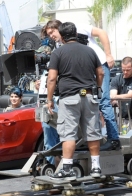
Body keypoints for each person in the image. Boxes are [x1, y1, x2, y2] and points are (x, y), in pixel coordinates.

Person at [43, 20, 120, 151]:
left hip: (100, 64)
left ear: (59, 28)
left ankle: (114, 139)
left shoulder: (77, 28)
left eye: (52, 32)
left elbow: (101, 32)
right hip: (86, 75)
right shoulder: (60, 46)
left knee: (104, 101)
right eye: (48, 34)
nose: (51, 36)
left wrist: (108, 54)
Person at [46, 22, 104, 180]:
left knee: (68, 134)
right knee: (93, 133)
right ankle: (96, 167)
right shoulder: (90, 51)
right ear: (76, 34)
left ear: (62, 36)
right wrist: (98, 89)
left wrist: (49, 99)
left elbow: (51, 78)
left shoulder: (58, 53)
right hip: (89, 95)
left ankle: (67, 168)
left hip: (69, 97)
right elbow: (100, 73)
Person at [110, 57, 132, 123]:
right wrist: (115, 98)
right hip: (123, 117)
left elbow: (130, 95)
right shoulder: (116, 79)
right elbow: (112, 95)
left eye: (128, 70)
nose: (125, 72)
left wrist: (116, 97)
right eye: (123, 69)